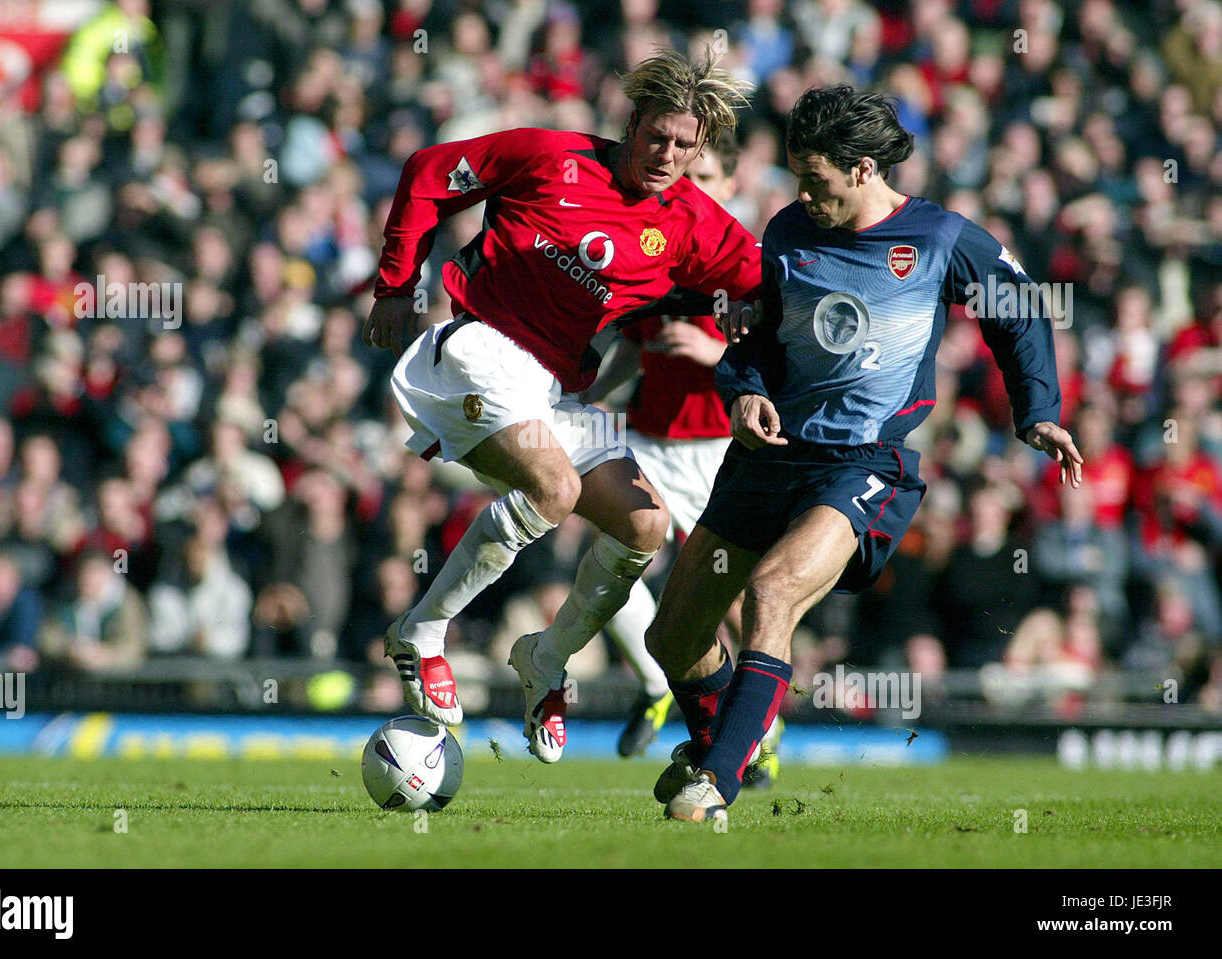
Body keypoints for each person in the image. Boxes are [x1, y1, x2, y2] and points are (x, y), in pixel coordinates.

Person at [646, 84, 1084, 821]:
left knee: (773, 593)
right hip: (768, 454)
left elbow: (1020, 310)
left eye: (815, 180)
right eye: (797, 177)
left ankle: (715, 783)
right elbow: (757, 336)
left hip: (863, 461)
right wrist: (744, 390)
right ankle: (722, 742)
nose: (803, 195)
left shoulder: (940, 238)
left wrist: (1036, 412)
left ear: (863, 169)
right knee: (674, 634)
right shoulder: (789, 231)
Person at [361, 48, 761, 762]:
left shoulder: (691, 220)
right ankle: (420, 632)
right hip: (481, 348)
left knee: (644, 524)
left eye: (685, 145)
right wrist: (395, 283)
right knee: (555, 488)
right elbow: (429, 172)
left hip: (552, 388)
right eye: (657, 136)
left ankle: (544, 659)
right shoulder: (551, 156)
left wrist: (764, 311)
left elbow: (763, 282)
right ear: (631, 123)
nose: (668, 155)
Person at [583, 136, 782, 777]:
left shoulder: (748, 264)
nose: (690, 187)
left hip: (718, 448)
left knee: (736, 600)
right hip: (650, 439)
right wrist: (586, 393)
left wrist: (713, 355)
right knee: (608, 564)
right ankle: (654, 682)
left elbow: (783, 357)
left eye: (706, 177)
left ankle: (758, 732)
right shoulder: (656, 247)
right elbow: (633, 345)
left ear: (731, 185)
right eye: (685, 176)